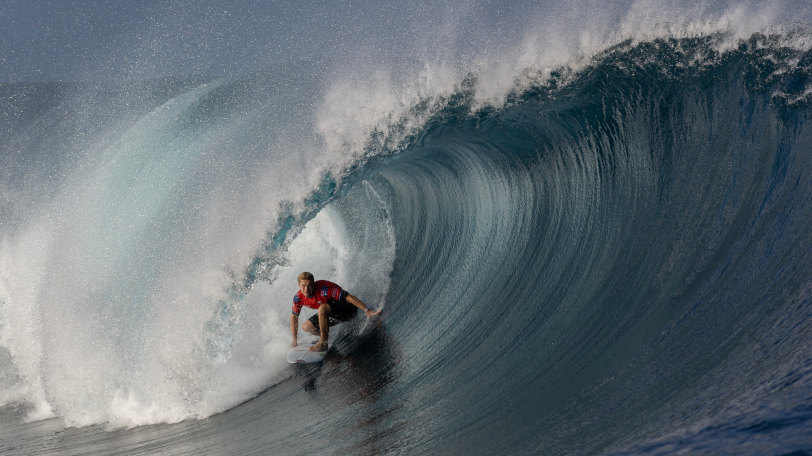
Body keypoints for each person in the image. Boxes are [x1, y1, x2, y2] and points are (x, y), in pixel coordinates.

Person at [290, 272, 381, 351]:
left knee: (322, 308)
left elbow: (349, 297)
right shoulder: (298, 298)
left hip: (348, 311)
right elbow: (294, 317)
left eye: (309, 285)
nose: (306, 289)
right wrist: (294, 341)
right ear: (299, 285)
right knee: (306, 327)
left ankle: (323, 343)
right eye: (303, 285)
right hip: (333, 315)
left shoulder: (324, 289)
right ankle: (325, 336)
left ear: (313, 284)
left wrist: (367, 311)